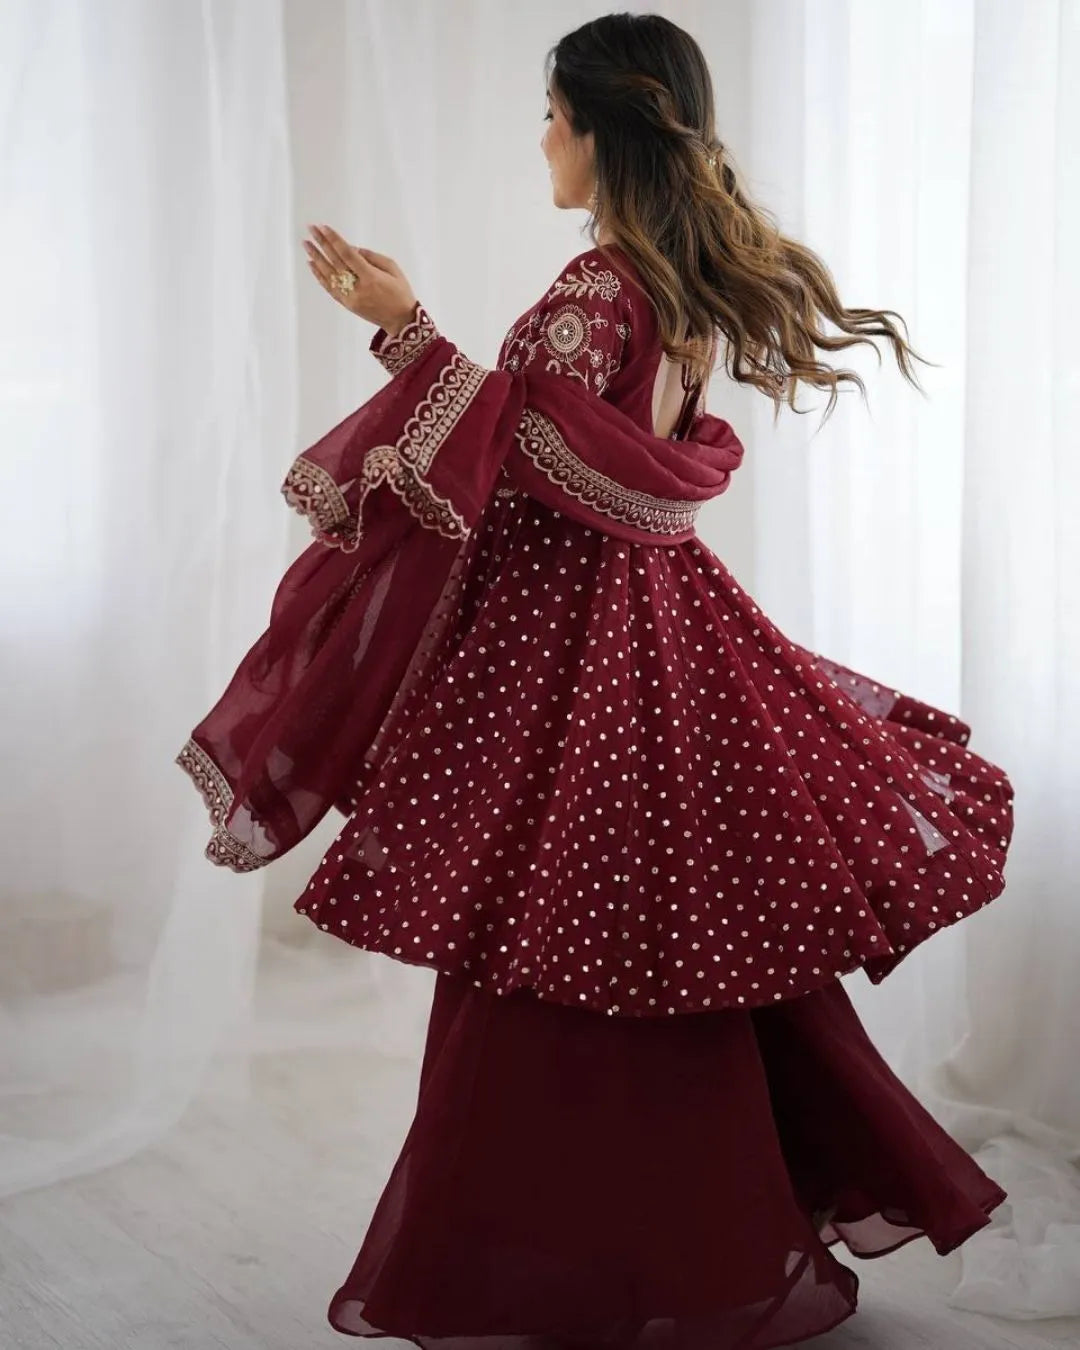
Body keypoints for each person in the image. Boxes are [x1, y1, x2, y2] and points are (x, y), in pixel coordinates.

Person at [177, 13, 1014, 1347]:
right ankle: (686, 1238)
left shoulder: (600, 293)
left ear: (608, 123)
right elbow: (586, 457)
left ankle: (565, 1258)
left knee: (548, 945)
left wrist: (408, 334)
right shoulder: (669, 291)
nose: (541, 138)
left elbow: (552, 469)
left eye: (553, 115)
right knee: (678, 936)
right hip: (651, 637)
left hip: (587, 658)